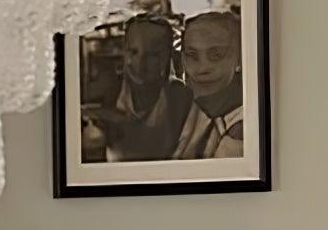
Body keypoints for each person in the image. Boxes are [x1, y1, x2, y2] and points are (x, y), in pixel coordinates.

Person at [82, 10, 192, 163]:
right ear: (124, 51)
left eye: (152, 55)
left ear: (168, 56)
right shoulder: (107, 89)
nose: (140, 64)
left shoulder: (180, 96)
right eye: (133, 52)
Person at [172, 10, 245, 159]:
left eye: (216, 55)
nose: (203, 68)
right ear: (183, 59)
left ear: (239, 58)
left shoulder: (242, 129)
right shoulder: (181, 110)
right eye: (192, 55)